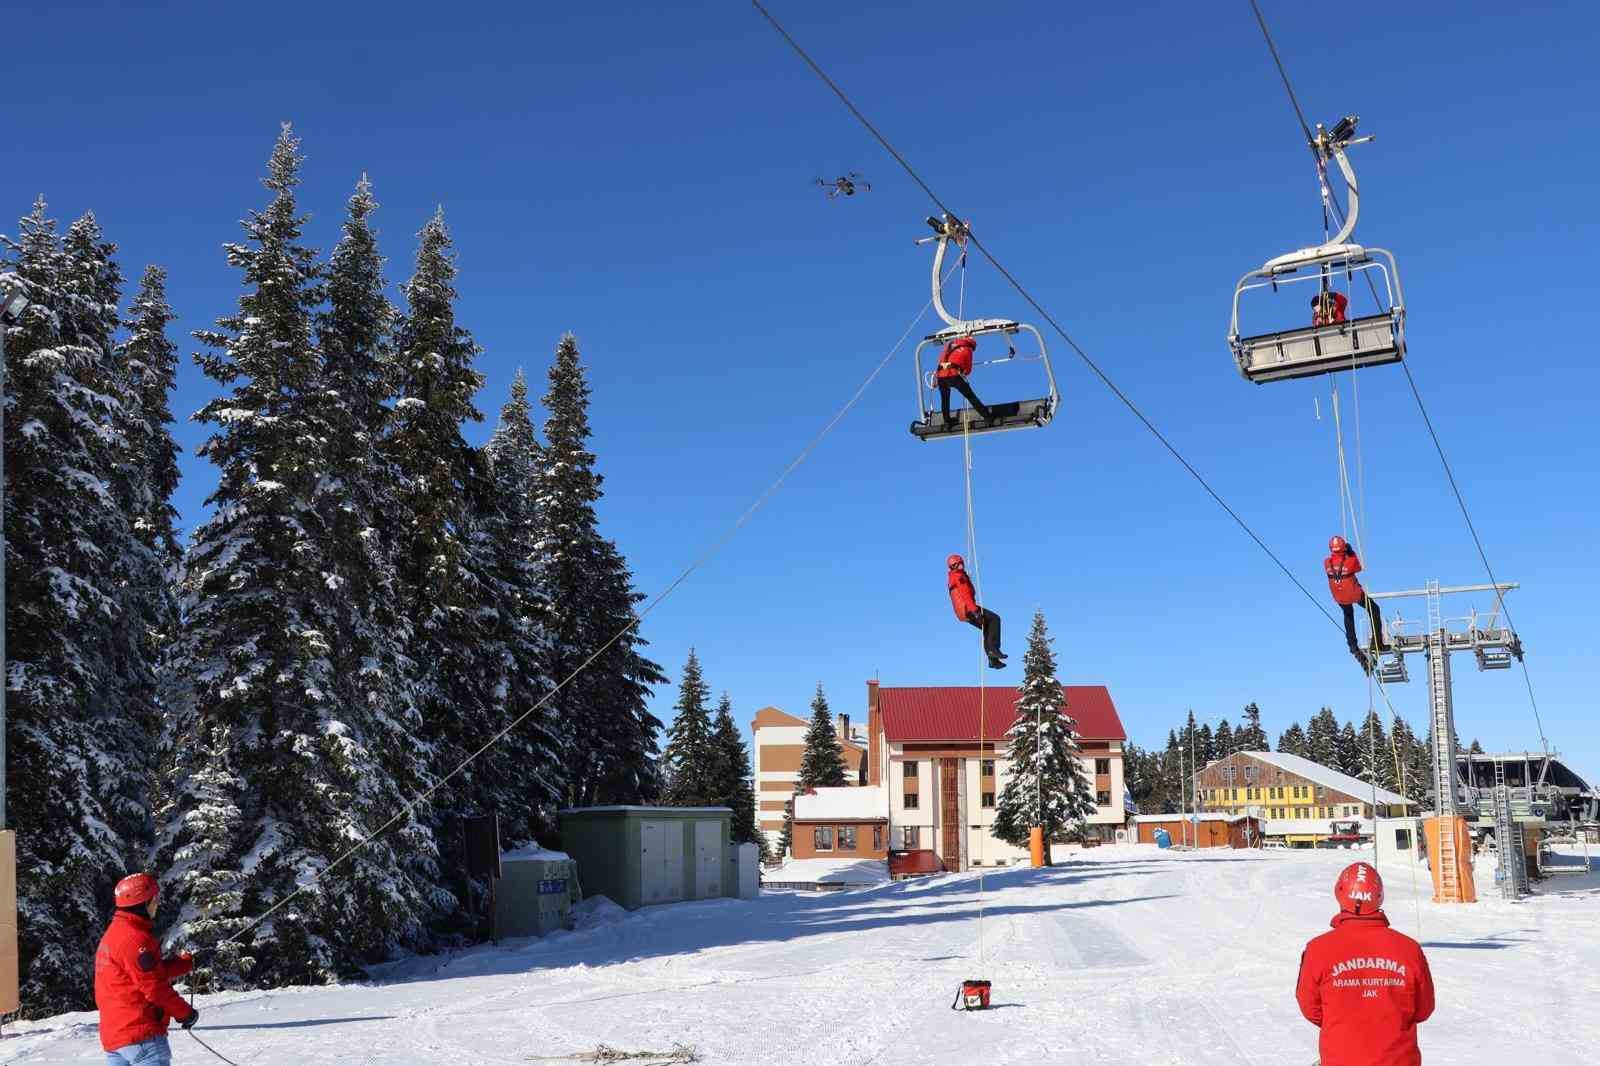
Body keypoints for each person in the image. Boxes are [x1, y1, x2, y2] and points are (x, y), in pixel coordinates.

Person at [1296, 862, 1435, 1066]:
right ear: (1379, 896)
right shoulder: (1409, 950)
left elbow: (1310, 1008)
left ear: (1339, 893)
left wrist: (1341, 1020)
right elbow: (1424, 1008)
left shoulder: (1317, 950)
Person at [95, 872, 198, 1066]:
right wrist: (185, 1013)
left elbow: (143, 975)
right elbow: (154, 987)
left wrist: (186, 963)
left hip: (117, 1039)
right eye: (154, 899)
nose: (157, 903)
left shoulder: (116, 933)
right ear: (142, 903)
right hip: (141, 1036)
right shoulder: (135, 939)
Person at [1325, 535, 1388, 672]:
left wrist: (1345, 554)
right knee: (1374, 609)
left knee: (1348, 614)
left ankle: (1353, 645)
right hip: (1353, 593)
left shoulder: (1326, 563)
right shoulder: (1350, 561)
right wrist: (1351, 551)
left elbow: (1336, 566)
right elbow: (1358, 567)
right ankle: (1377, 643)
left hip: (1338, 596)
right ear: (1343, 547)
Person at [947, 554, 1005, 669]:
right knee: (995, 619)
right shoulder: (958, 577)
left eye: (960, 563)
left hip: (962, 612)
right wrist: (975, 612)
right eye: (956, 564)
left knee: (987, 626)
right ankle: (993, 650)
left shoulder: (954, 577)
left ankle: (992, 659)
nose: (959, 566)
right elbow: (965, 594)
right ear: (952, 567)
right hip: (968, 608)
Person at [934, 336, 994, 429]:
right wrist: (962, 372)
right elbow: (968, 370)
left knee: (945, 400)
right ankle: (988, 417)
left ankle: (947, 422)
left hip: (941, 376)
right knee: (970, 396)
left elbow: (941, 360)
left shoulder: (948, 346)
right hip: (953, 375)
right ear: (971, 345)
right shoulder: (967, 349)